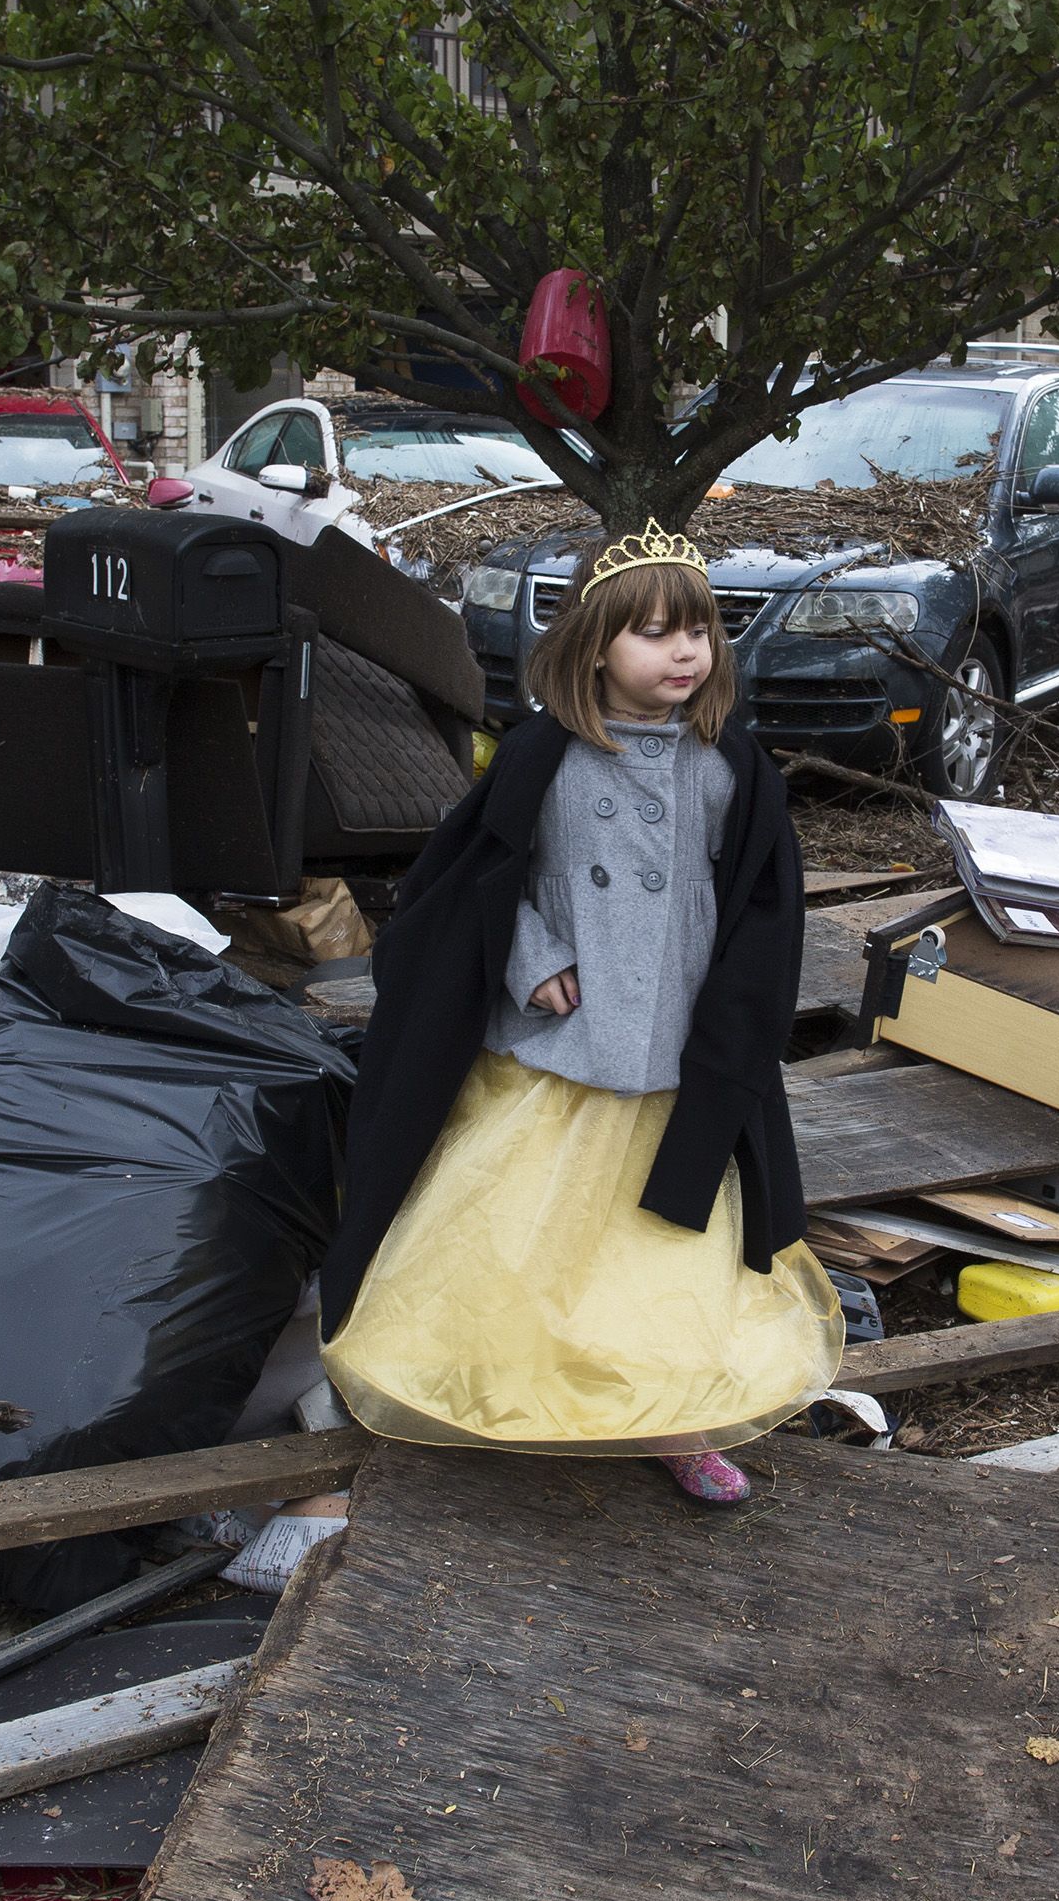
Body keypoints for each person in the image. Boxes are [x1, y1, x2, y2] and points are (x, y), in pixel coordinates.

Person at [319, 520, 839, 1505]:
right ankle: (505, 1393)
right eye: (652, 632)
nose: (684, 651)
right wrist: (532, 954)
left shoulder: (733, 770)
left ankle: (670, 1419)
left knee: (663, 1264)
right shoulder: (541, 760)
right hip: (559, 1059)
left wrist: (735, 1021)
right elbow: (471, 882)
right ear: (595, 644)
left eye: (699, 631)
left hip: (676, 1064)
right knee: (519, 1246)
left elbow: (761, 913)